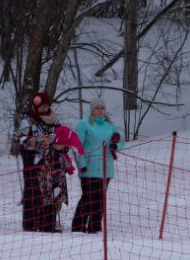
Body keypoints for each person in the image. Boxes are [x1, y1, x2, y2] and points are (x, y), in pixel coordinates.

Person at [72, 98, 121, 233]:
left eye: (102, 108)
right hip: (89, 168)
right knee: (88, 198)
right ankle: (78, 227)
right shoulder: (84, 124)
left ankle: (95, 227)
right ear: (92, 109)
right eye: (97, 108)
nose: (100, 111)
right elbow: (77, 145)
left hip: (106, 168)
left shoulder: (110, 125)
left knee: (100, 199)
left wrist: (115, 145)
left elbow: (121, 141)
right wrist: (81, 163)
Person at [16, 92, 62, 232]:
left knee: (51, 194)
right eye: (41, 106)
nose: (44, 109)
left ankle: (48, 225)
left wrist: (62, 146)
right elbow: (22, 141)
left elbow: (62, 139)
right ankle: (30, 225)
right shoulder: (27, 121)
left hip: (52, 163)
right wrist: (40, 142)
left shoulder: (54, 121)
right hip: (33, 164)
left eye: (46, 106)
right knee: (33, 194)